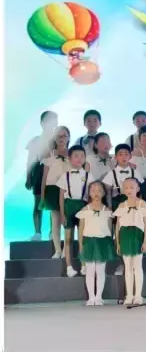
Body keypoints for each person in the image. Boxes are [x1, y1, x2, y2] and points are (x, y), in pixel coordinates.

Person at [114, 178, 146, 306]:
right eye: (126, 187)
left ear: (137, 188)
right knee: (128, 267)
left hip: (137, 236)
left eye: (132, 187)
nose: (129, 190)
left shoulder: (142, 204)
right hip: (125, 236)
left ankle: (138, 295)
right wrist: (118, 242)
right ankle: (129, 295)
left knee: (137, 265)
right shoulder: (122, 205)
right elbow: (117, 226)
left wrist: (145, 241)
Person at [77, 181, 116, 306]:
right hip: (89, 241)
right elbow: (81, 229)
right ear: (89, 193)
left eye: (99, 191)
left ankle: (99, 296)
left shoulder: (107, 211)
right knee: (90, 270)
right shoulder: (85, 210)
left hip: (103, 242)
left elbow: (110, 230)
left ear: (104, 193)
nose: (96, 193)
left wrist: (110, 244)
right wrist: (81, 244)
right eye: (93, 191)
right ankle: (91, 297)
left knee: (100, 270)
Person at [58, 145, 94, 277]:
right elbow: (61, 197)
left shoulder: (89, 176)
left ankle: (83, 265)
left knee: (82, 238)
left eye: (82, 156)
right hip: (69, 206)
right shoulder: (64, 176)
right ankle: (69, 267)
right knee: (68, 239)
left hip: (83, 206)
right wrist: (62, 214)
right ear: (70, 158)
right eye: (76, 156)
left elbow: (91, 195)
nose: (79, 159)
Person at [26, 110, 58, 241]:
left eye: (53, 120)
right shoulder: (35, 140)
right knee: (38, 203)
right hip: (39, 174)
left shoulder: (59, 140)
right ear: (42, 123)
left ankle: (52, 232)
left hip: (55, 174)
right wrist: (28, 177)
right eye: (48, 120)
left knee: (53, 205)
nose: (51, 122)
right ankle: (37, 233)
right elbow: (30, 160)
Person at [40, 126, 71, 259]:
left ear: (68, 138)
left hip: (68, 190)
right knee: (55, 221)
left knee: (67, 221)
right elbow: (44, 177)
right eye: (59, 136)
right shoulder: (50, 155)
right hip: (52, 189)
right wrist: (43, 195)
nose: (61, 138)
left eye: (64, 136)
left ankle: (66, 251)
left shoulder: (73, 154)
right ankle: (58, 250)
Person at [103, 144, 143, 210]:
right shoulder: (112, 173)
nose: (123, 157)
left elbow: (141, 191)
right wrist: (110, 207)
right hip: (117, 204)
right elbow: (108, 192)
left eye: (126, 154)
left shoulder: (135, 172)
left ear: (130, 156)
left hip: (133, 204)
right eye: (120, 154)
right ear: (115, 157)